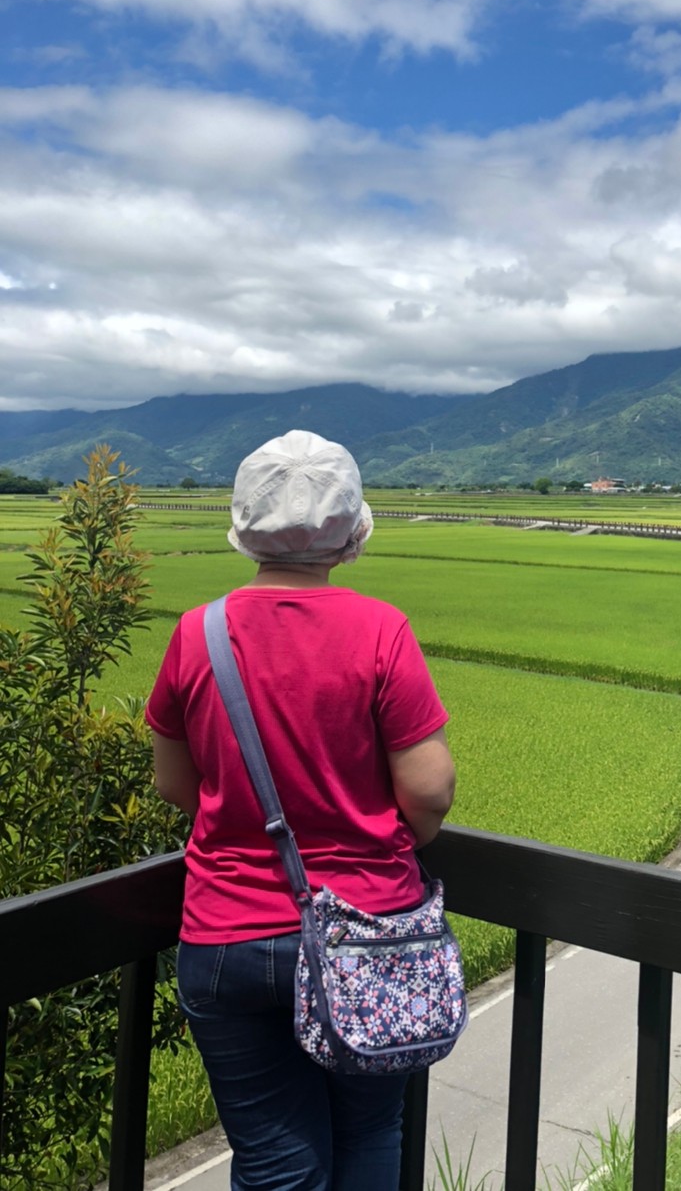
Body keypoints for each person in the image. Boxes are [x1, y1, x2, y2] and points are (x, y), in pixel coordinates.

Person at [146, 429, 456, 1191]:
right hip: (370, 932)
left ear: (245, 530)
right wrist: (377, 838)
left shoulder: (199, 633)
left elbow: (173, 782)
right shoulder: (380, 629)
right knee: (371, 1134)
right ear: (352, 534)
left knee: (276, 1164)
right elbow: (429, 790)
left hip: (226, 934)